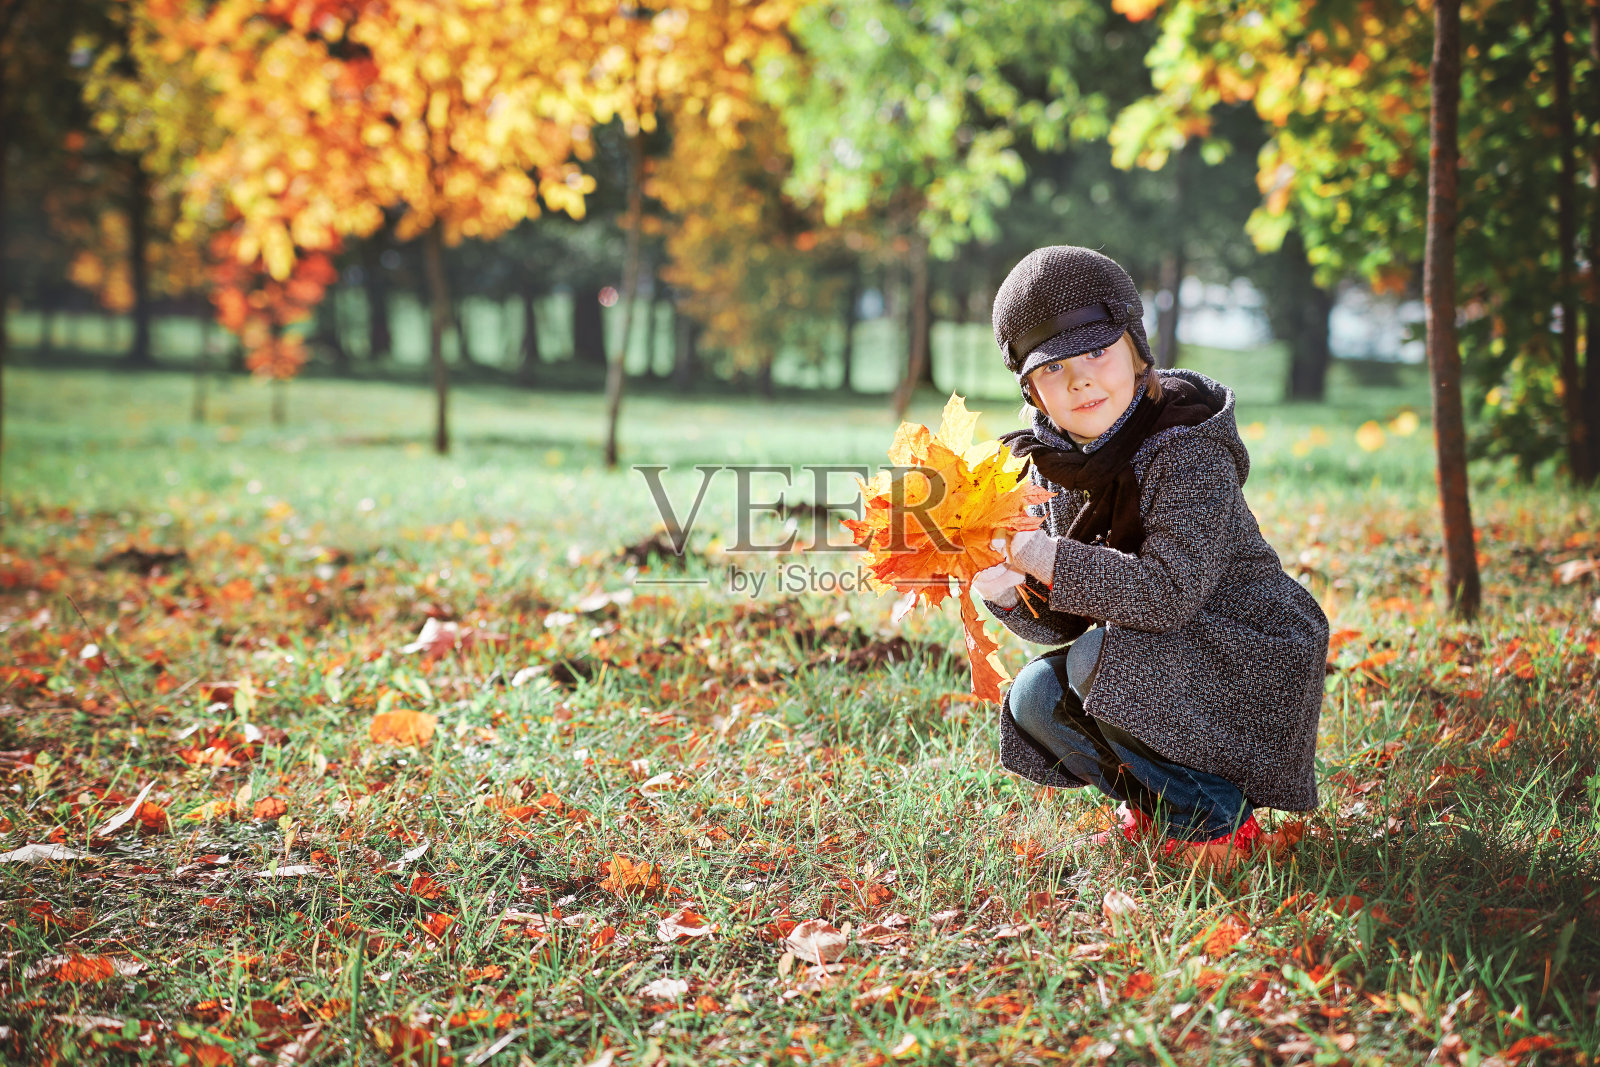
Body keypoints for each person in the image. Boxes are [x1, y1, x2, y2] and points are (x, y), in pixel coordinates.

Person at [971, 245, 1328, 869]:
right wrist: (1006, 583)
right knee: (1036, 696)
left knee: (1100, 662)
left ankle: (1216, 821)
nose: (1080, 380)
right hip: (1160, 656)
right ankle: (1160, 806)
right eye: (1053, 369)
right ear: (1031, 390)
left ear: (1137, 350)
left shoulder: (1187, 448)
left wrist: (1042, 554)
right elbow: (1065, 619)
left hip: (1247, 650)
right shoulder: (1054, 465)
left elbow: (1167, 595)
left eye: (1097, 353)